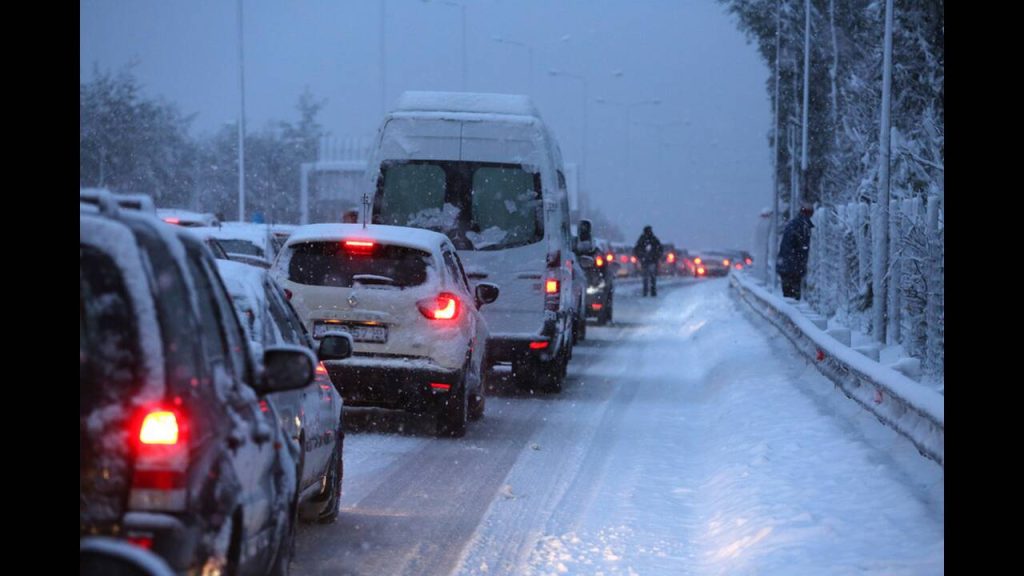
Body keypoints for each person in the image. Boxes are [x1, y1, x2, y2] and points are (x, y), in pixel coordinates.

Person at [776, 203, 814, 299]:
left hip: (786, 266)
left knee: (788, 296)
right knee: (793, 296)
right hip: (793, 267)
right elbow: (802, 248)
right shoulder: (802, 226)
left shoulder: (794, 224)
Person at [634, 225, 664, 297]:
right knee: (652, 277)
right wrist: (656, 256)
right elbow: (660, 249)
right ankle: (652, 291)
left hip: (646, 261)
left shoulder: (642, 239)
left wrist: (641, 257)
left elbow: (636, 249)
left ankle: (646, 291)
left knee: (646, 277)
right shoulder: (653, 239)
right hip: (651, 260)